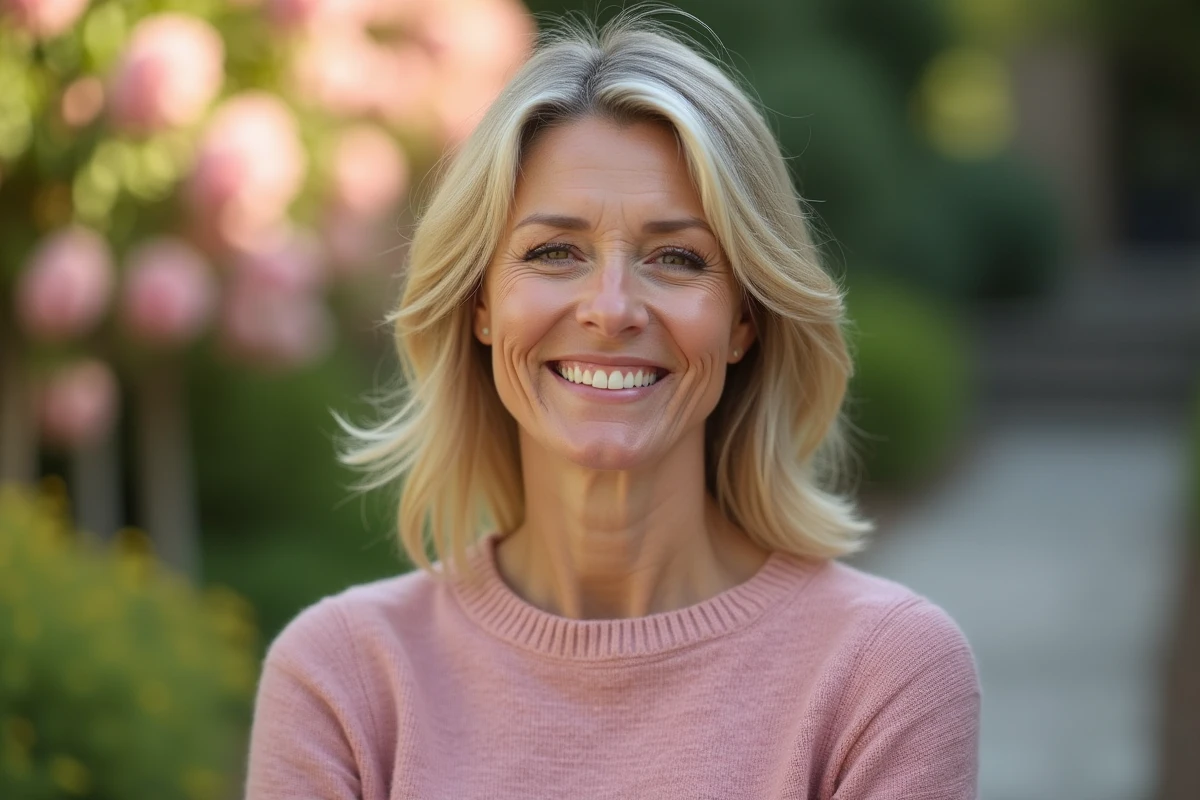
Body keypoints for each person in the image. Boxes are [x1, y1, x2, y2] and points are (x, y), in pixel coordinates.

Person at [244, 10, 980, 799]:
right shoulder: (344, 680)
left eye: (677, 258)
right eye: (555, 252)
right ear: (480, 304)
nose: (612, 308)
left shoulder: (883, 673)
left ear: (744, 319)